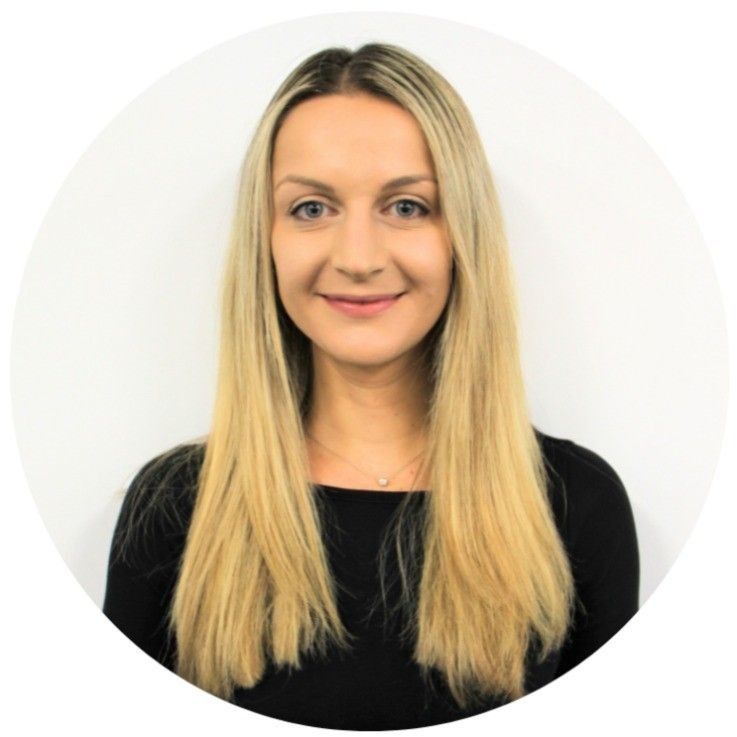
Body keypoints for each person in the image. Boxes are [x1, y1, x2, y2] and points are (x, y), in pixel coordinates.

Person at [103, 43, 640, 730]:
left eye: (408, 206)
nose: (357, 257)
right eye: (311, 208)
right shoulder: (175, 508)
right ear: (263, 238)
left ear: (461, 235)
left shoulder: (575, 505)